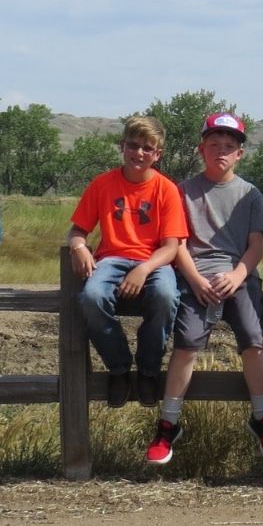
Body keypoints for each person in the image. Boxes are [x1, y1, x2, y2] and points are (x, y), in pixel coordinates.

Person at [147, 112, 263, 467]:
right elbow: (175, 242)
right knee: (187, 344)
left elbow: (256, 246)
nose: (221, 151)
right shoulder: (183, 191)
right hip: (195, 278)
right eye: (214, 145)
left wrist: (238, 275)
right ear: (201, 149)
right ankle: (168, 423)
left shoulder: (250, 194)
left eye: (229, 146)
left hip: (238, 277)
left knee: (253, 341)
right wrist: (194, 280)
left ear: (240, 153)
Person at [69, 115, 188, 409]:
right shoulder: (102, 184)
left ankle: (148, 369)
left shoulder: (167, 189)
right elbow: (77, 230)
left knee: (165, 295)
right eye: (133, 145)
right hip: (112, 257)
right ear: (122, 146)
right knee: (92, 296)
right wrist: (79, 247)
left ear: (157, 154)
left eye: (147, 148)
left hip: (155, 260)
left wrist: (143, 269)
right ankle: (119, 368)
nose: (139, 153)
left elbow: (171, 246)